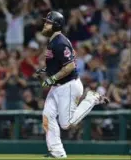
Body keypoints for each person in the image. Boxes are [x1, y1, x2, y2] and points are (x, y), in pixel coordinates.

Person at [35, 11, 109, 158]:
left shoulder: (60, 42)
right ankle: (57, 152)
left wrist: (51, 78)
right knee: (47, 117)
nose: (45, 24)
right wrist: (47, 70)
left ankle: (91, 98)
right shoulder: (54, 41)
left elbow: (69, 66)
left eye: (48, 22)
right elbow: (61, 63)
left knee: (66, 124)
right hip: (58, 86)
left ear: (56, 25)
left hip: (67, 85)